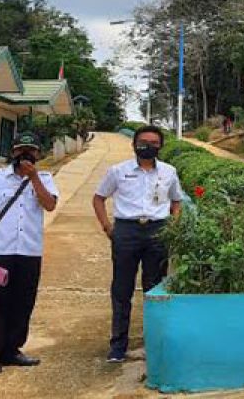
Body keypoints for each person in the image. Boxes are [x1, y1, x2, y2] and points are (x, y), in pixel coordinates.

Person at [0, 131, 59, 375]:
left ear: (39, 154)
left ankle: (12, 350)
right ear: (13, 152)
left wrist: (34, 178)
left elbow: (49, 205)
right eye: (21, 150)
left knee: (23, 302)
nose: (26, 154)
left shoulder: (46, 178)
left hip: (29, 251)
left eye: (31, 150)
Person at [92, 125, 183, 363]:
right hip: (126, 231)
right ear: (133, 144)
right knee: (122, 289)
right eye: (143, 142)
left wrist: (173, 227)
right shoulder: (118, 171)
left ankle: (154, 342)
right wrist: (107, 227)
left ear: (160, 146)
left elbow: (176, 201)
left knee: (155, 287)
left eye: (154, 142)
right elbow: (98, 198)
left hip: (158, 231)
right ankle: (118, 346)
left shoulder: (169, 172)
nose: (148, 146)